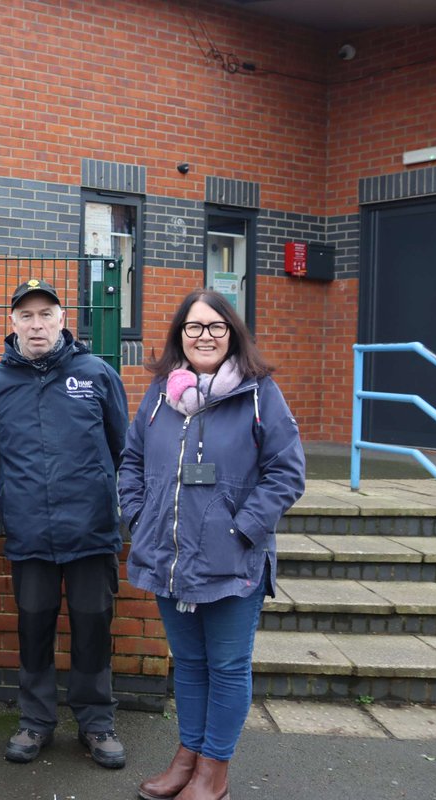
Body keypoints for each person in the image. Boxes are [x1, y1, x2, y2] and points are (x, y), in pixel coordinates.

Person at [119, 290, 305, 800]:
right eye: (194, 327)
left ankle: (213, 772)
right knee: (190, 664)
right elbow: (131, 461)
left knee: (226, 667)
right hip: (169, 557)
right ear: (180, 334)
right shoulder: (161, 394)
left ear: (232, 333)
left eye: (216, 326)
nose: (205, 336)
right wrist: (140, 516)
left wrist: (241, 529)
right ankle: (188, 757)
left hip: (232, 561)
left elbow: (287, 472)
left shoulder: (259, 394)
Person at [0, 279, 130, 769]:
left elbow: (122, 447)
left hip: (92, 532)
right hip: (30, 534)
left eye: (46, 314)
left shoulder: (97, 374)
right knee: (34, 628)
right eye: (27, 316)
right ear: (12, 323)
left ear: (63, 320)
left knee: (93, 627)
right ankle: (35, 721)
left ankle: (96, 722)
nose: (37, 325)